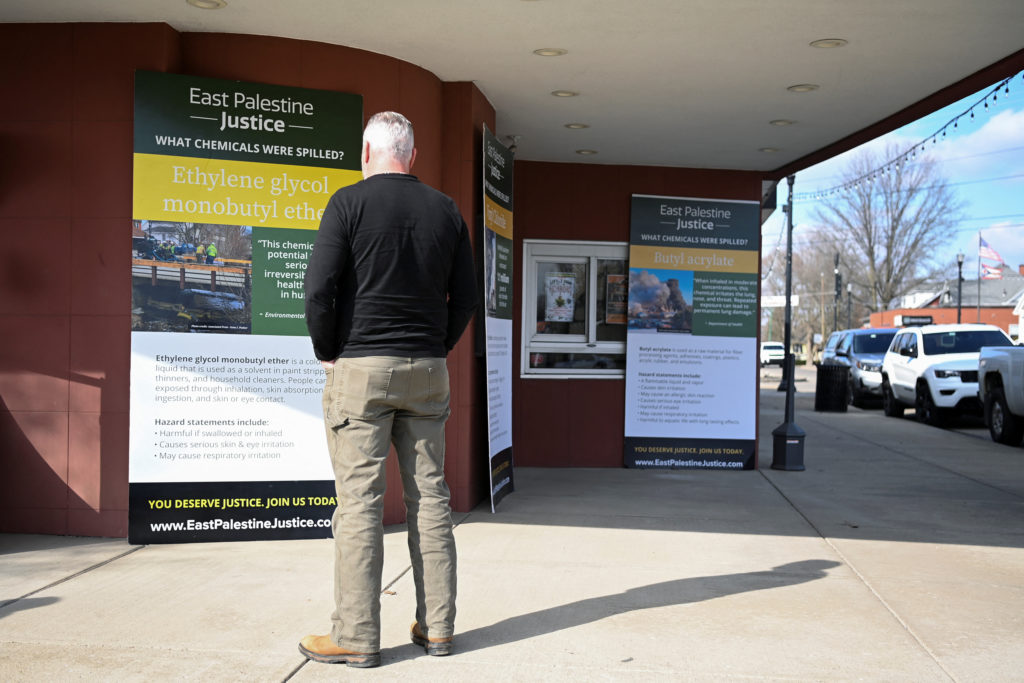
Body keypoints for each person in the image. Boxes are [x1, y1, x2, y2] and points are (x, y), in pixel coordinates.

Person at [300, 111, 477, 668]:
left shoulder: (347, 203)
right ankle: (439, 628)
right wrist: (433, 346)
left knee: (359, 506)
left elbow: (318, 292)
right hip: (426, 369)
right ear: (413, 156)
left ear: (366, 150)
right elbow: (467, 297)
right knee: (432, 501)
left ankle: (356, 635)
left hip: (361, 370)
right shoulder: (446, 210)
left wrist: (328, 351)